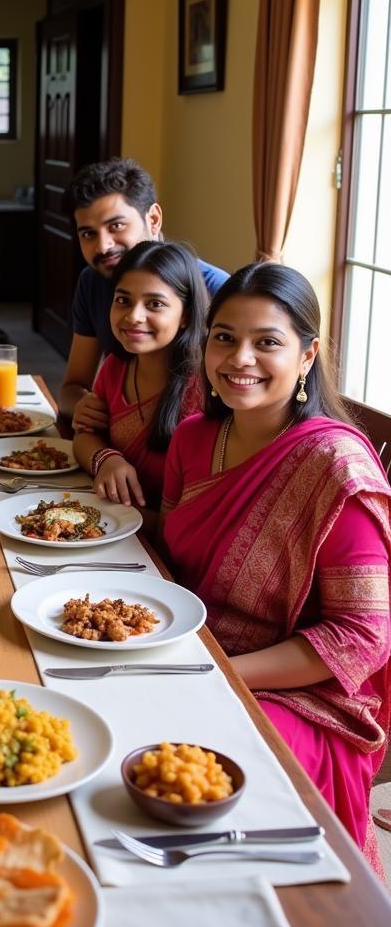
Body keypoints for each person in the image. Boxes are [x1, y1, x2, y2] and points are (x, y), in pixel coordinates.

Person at [161, 263, 390, 870]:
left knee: (189, 772)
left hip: (301, 694)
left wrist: (218, 673)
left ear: (308, 355)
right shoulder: (192, 438)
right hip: (194, 648)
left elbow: (362, 640)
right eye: (224, 337)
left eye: (268, 342)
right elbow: (168, 558)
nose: (241, 358)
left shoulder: (332, 468)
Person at [59, 157, 227, 429]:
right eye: (88, 234)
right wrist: (86, 408)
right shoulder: (92, 281)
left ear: (154, 219)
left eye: (116, 226)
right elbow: (72, 387)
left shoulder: (217, 291)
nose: (103, 246)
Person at [73, 241, 207, 514]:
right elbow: (85, 435)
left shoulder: (203, 388)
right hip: (114, 521)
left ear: (186, 315)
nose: (134, 316)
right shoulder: (116, 366)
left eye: (155, 304)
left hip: (162, 540)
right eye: (123, 300)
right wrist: (107, 460)